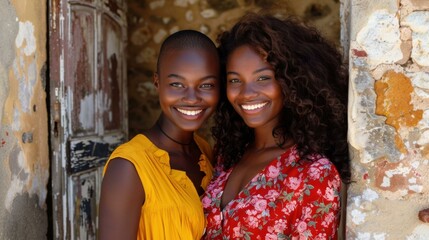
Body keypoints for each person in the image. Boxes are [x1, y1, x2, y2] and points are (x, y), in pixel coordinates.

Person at [202, 13, 350, 239]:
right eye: (234, 80)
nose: (246, 93)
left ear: (292, 82)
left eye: (263, 78)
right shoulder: (225, 155)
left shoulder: (314, 173)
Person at [98, 30, 220, 239]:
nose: (191, 98)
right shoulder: (129, 166)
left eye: (206, 85)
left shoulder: (204, 152)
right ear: (157, 82)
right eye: (177, 84)